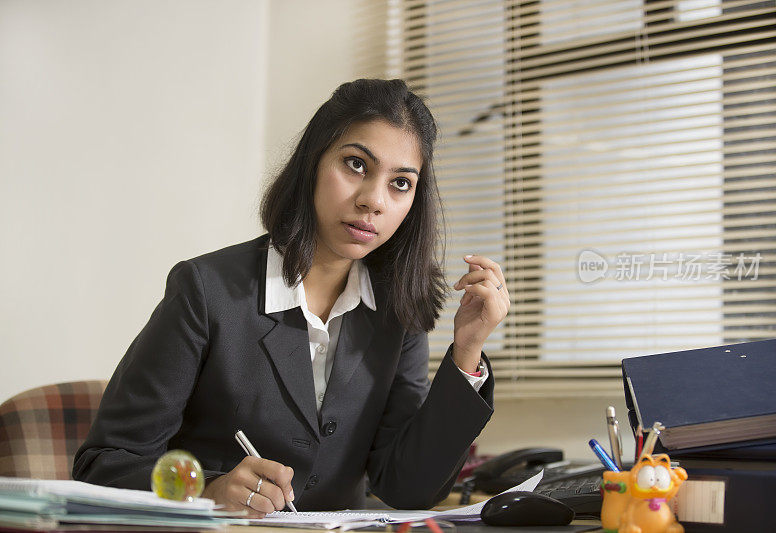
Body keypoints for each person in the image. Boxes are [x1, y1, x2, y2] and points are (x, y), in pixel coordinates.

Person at [73, 78, 510, 514]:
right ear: (313, 161)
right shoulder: (205, 291)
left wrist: (467, 351)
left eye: (400, 183)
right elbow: (105, 465)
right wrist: (208, 492)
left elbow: (407, 489)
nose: (373, 201)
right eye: (356, 164)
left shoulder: (397, 308)